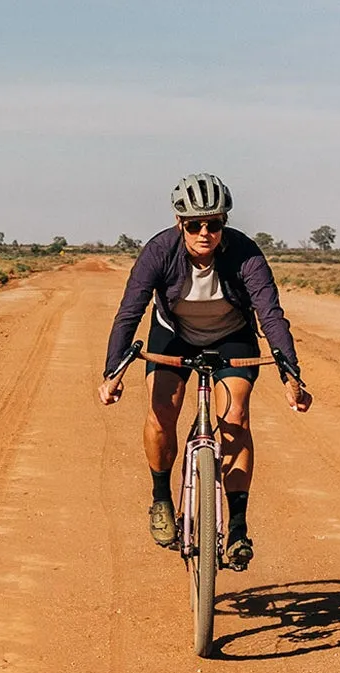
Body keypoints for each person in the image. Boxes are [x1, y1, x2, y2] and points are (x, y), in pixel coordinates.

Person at [98, 173, 311, 569]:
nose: (204, 233)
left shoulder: (245, 254)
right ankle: (162, 499)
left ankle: (237, 528)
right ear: (180, 223)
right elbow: (131, 311)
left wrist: (291, 375)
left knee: (236, 416)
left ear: (224, 223)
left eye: (213, 223)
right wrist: (113, 371)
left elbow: (270, 314)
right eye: (194, 224)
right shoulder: (159, 252)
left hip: (232, 336)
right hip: (173, 335)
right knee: (162, 411)